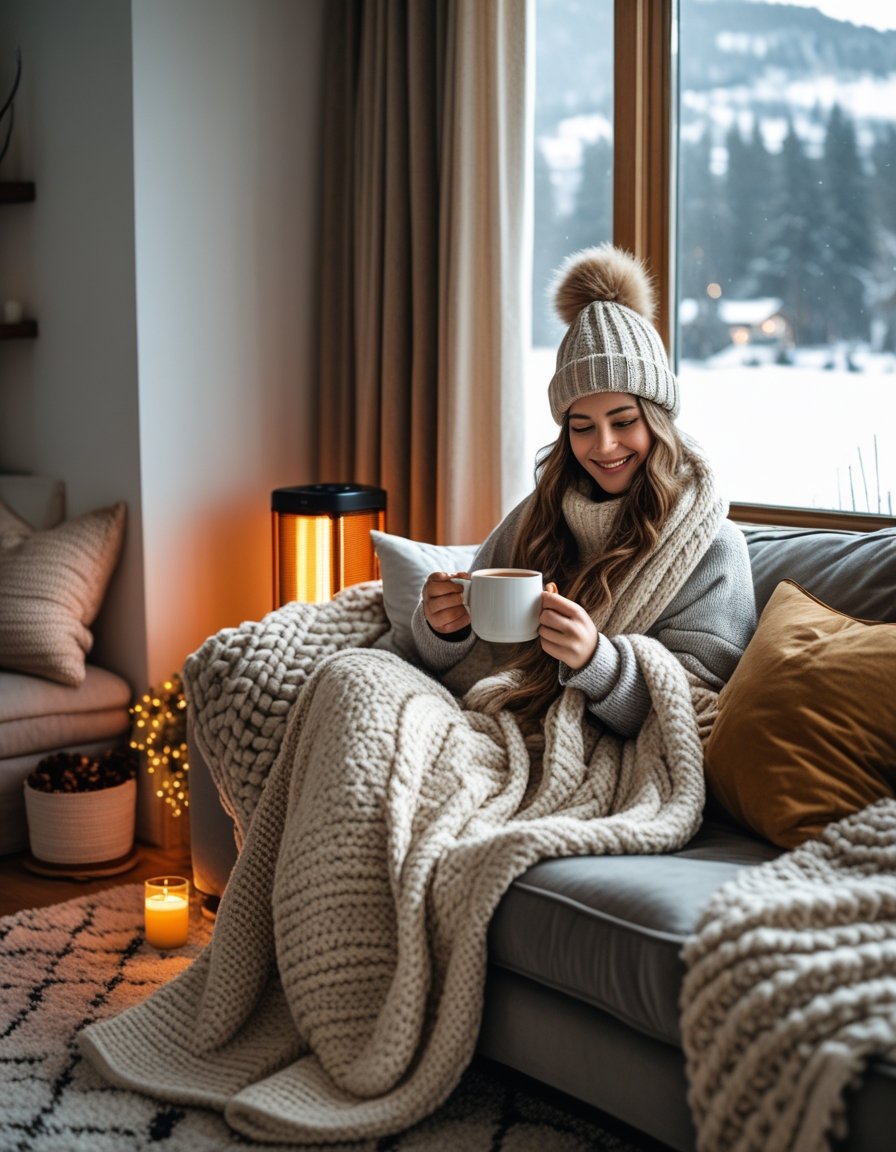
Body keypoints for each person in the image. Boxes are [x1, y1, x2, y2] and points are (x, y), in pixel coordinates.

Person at [413, 243, 757, 736]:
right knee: (349, 679)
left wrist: (599, 662)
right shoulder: (537, 515)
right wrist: (442, 627)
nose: (604, 446)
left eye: (624, 421)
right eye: (581, 426)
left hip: (599, 744)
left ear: (658, 422)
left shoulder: (716, 549)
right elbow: (459, 655)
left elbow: (703, 709)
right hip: (495, 715)